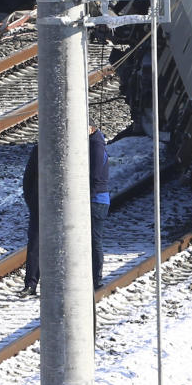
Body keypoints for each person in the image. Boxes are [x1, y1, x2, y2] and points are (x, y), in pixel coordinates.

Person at [89, 122, 110, 289]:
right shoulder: (97, 142)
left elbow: (95, 176)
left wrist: (88, 197)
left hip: (96, 200)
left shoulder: (96, 145)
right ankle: (94, 277)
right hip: (99, 198)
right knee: (93, 241)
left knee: (95, 241)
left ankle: (96, 278)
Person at [21, 142, 39, 297]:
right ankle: (30, 283)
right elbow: (29, 177)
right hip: (40, 205)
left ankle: (31, 283)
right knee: (35, 245)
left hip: (62, 208)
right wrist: (31, 201)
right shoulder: (39, 149)